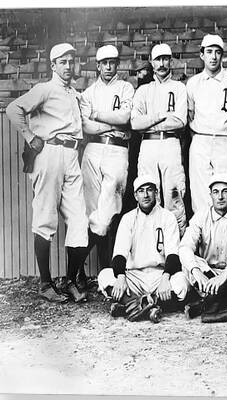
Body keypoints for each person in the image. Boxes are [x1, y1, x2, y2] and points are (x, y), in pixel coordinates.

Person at [6, 42, 89, 303]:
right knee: (45, 218)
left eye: (71, 61)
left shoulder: (73, 93)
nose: (68, 66)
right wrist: (30, 136)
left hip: (72, 155)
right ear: (53, 65)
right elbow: (13, 109)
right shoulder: (45, 89)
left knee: (79, 220)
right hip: (49, 153)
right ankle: (45, 283)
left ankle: (70, 279)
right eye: (62, 61)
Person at [79, 44, 134, 284]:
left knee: (107, 213)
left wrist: (98, 115)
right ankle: (104, 273)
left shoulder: (125, 87)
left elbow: (124, 118)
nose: (109, 67)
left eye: (113, 62)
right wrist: (110, 125)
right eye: (104, 63)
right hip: (92, 149)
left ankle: (75, 266)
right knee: (92, 214)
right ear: (98, 66)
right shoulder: (89, 92)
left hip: (117, 150)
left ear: (117, 64)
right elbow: (86, 126)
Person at [97, 174, 187, 322]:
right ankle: (149, 305)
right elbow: (119, 254)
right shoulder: (128, 218)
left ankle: (130, 306)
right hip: (135, 276)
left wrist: (165, 278)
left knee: (182, 282)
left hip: (160, 274)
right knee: (104, 276)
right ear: (135, 195)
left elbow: (173, 255)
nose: (145, 195)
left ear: (156, 193)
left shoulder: (167, 216)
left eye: (150, 190)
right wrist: (120, 277)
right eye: (141, 191)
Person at [178, 173, 227, 323]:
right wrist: (197, 272)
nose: (220, 196)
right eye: (216, 192)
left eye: (225, 191)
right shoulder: (201, 215)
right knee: (189, 262)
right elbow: (184, 247)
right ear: (210, 195)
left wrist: (225, 275)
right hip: (208, 276)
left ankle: (207, 304)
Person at [131, 43, 188, 236]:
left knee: (174, 195)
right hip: (148, 145)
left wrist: (149, 121)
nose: (162, 64)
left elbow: (180, 121)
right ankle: (153, 245)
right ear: (152, 63)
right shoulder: (144, 90)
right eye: (158, 60)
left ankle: (178, 248)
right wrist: (158, 117)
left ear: (171, 61)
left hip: (170, 144)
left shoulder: (179, 88)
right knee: (149, 195)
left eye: (165, 59)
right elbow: (135, 124)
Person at [186, 34, 227, 215]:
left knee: (225, 192)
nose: (213, 57)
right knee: (201, 196)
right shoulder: (193, 83)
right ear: (202, 55)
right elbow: (189, 116)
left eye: (217, 52)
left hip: (226, 140)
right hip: (201, 141)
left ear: (222, 56)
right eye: (209, 52)